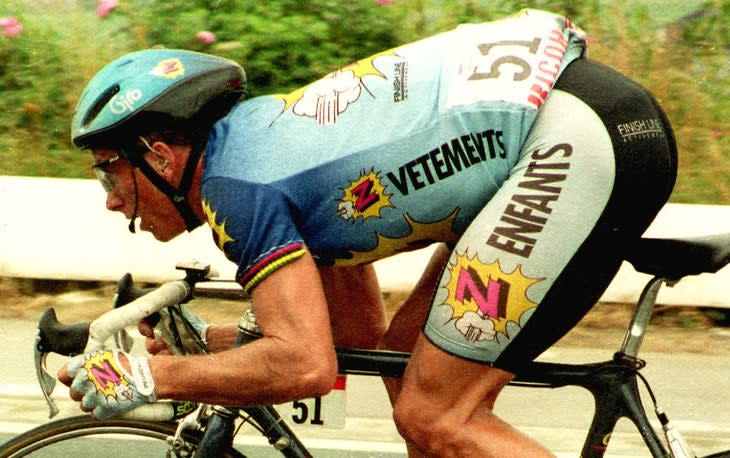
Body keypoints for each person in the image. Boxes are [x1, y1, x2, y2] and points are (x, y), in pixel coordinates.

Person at [59, 8, 677, 456]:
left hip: (572, 143)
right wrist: (218, 343)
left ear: (161, 157)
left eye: (109, 176)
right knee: (408, 370)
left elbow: (303, 365)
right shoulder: (262, 151)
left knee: (436, 415)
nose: (112, 202)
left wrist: (148, 376)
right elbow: (355, 340)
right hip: (584, 122)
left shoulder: (235, 191)